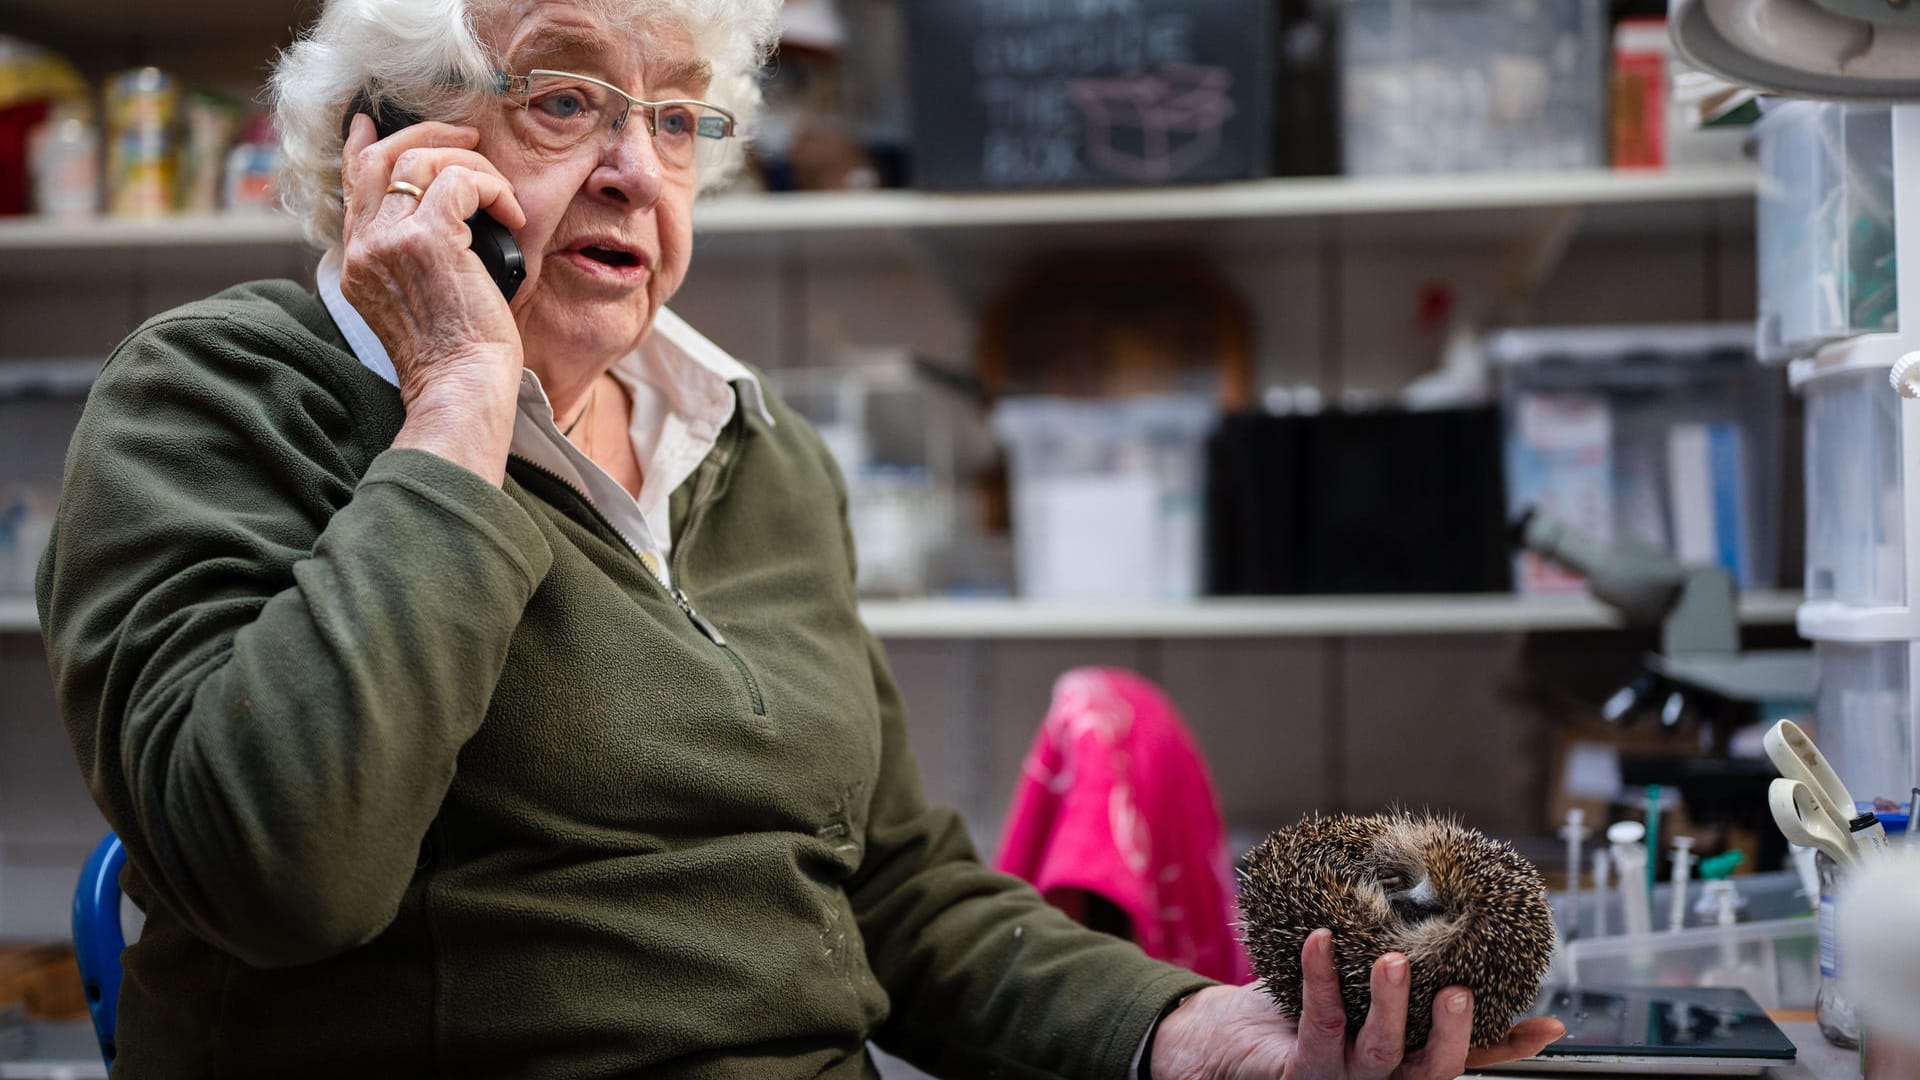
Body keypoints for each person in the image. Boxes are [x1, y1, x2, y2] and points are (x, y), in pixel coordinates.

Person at [34, 1, 1564, 1076]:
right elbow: (281, 869)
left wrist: (1182, 1034)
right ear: (391, 157)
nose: (638, 166)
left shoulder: (760, 451)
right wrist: (458, 399)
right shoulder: (214, 394)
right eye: (565, 99)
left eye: (680, 117)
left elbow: (890, 891)